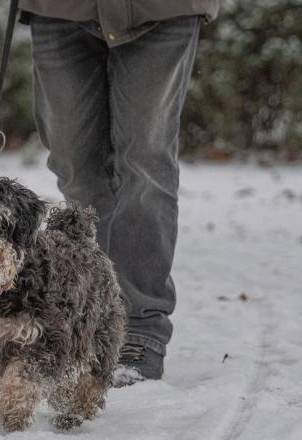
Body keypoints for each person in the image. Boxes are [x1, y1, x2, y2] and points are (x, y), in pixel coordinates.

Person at [18, 1, 220, 385]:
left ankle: (140, 327)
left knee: (144, 164)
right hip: (59, 10)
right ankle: (97, 312)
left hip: (161, 10)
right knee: (74, 165)